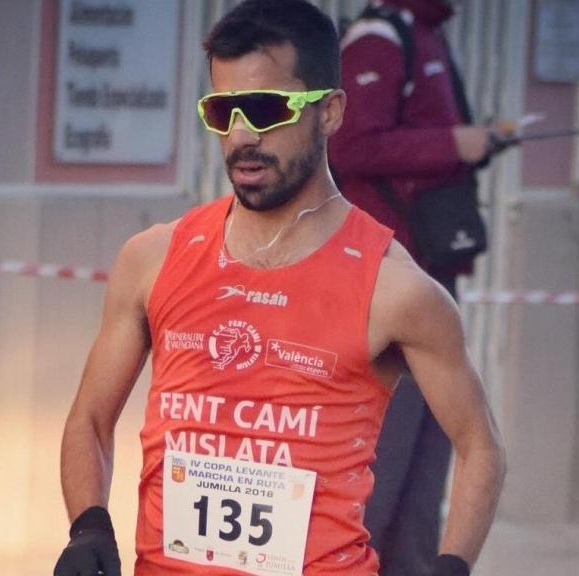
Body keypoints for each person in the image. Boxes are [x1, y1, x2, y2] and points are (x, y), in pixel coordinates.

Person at [53, 1, 504, 574]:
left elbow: (480, 445)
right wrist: (88, 528)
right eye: (224, 111)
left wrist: (451, 565)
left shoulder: (396, 290)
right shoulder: (152, 258)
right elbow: (90, 418)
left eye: (266, 110)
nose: (242, 136)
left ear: (331, 112)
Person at [327, 2, 500, 574]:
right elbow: (348, 146)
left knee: (429, 454)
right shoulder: (380, 37)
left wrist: (477, 142)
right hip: (387, 272)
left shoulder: (429, 35)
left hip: (431, 269)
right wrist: (453, 145)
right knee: (387, 454)